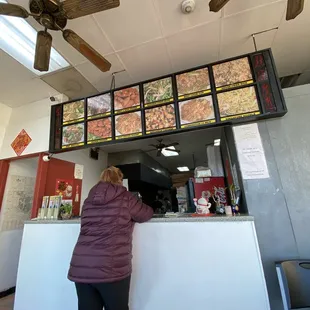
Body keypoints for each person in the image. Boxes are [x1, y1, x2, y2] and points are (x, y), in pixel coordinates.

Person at [68, 166, 154, 310]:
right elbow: (146, 214)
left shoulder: (88, 200)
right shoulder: (126, 197)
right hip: (110, 268)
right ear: (120, 179)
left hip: (81, 266)